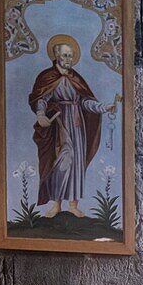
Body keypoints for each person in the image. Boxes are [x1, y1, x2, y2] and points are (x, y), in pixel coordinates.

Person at [28, 34, 120, 217]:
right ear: (56, 55)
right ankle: (56, 204)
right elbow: (42, 99)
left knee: (77, 161)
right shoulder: (47, 77)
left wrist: (104, 107)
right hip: (59, 124)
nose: (68, 59)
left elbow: (86, 102)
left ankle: (73, 204)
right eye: (65, 55)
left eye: (70, 56)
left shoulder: (75, 78)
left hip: (77, 124)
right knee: (63, 158)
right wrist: (40, 114)